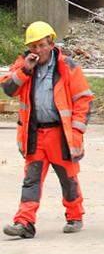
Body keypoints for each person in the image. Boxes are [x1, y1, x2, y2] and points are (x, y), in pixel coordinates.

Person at [0, 21, 93, 239]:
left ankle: (75, 215)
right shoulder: (23, 65)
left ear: (51, 43)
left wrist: (77, 131)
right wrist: (26, 70)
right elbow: (8, 89)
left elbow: (84, 100)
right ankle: (24, 223)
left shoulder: (67, 67)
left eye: (42, 45)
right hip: (35, 134)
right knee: (31, 180)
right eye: (33, 47)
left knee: (68, 179)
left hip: (60, 135)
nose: (38, 50)